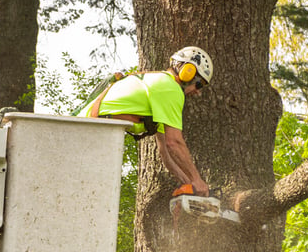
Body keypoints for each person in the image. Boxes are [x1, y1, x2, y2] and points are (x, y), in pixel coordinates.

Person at [81, 46, 212, 197]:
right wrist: (197, 179)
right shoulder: (170, 89)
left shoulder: (161, 85)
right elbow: (174, 143)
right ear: (188, 72)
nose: (198, 92)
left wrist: (189, 183)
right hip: (87, 131)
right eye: (199, 84)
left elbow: (165, 153)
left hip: (92, 130)